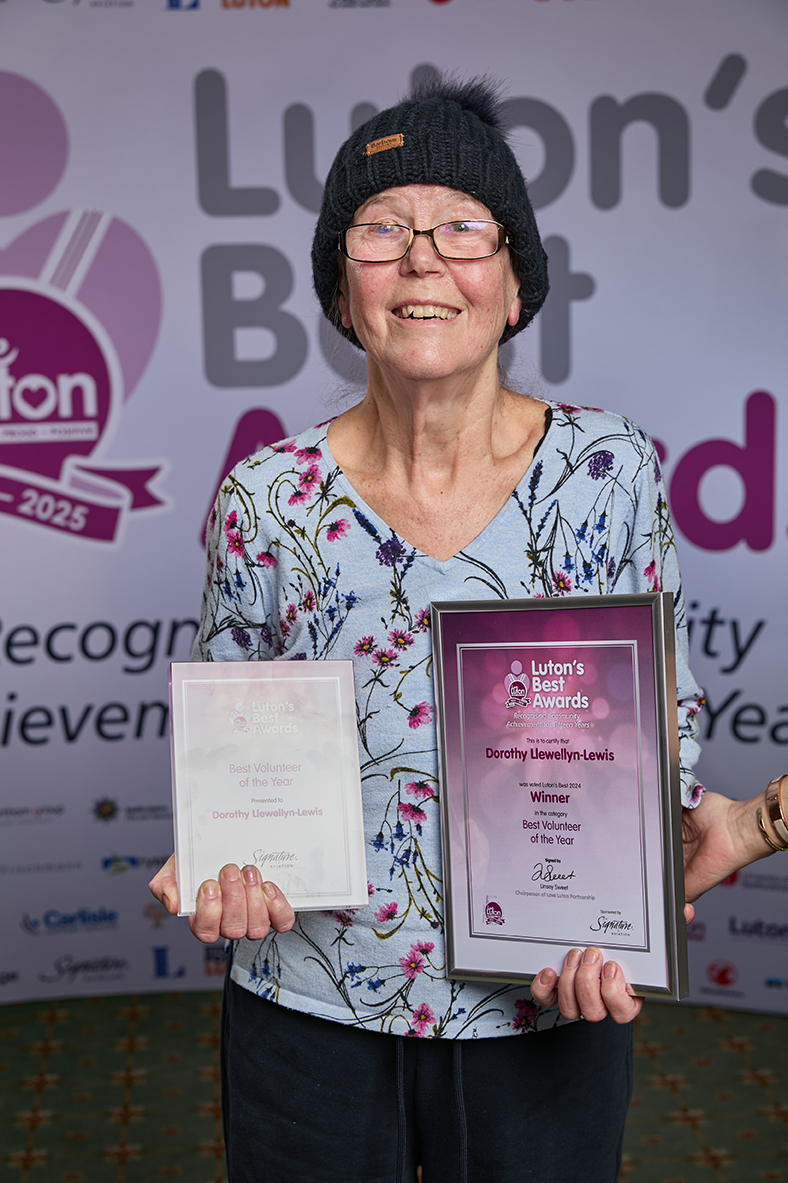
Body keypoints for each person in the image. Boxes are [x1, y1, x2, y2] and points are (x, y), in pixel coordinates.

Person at [150, 74, 786, 1182]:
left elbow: (655, 718)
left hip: (545, 1002)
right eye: (380, 231)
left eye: (461, 229)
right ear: (342, 292)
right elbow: (234, 745)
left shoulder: (606, 471)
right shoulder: (266, 496)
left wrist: (638, 885)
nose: (421, 261)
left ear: (512, 284)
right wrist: (218, 859)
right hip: (308, 1007)